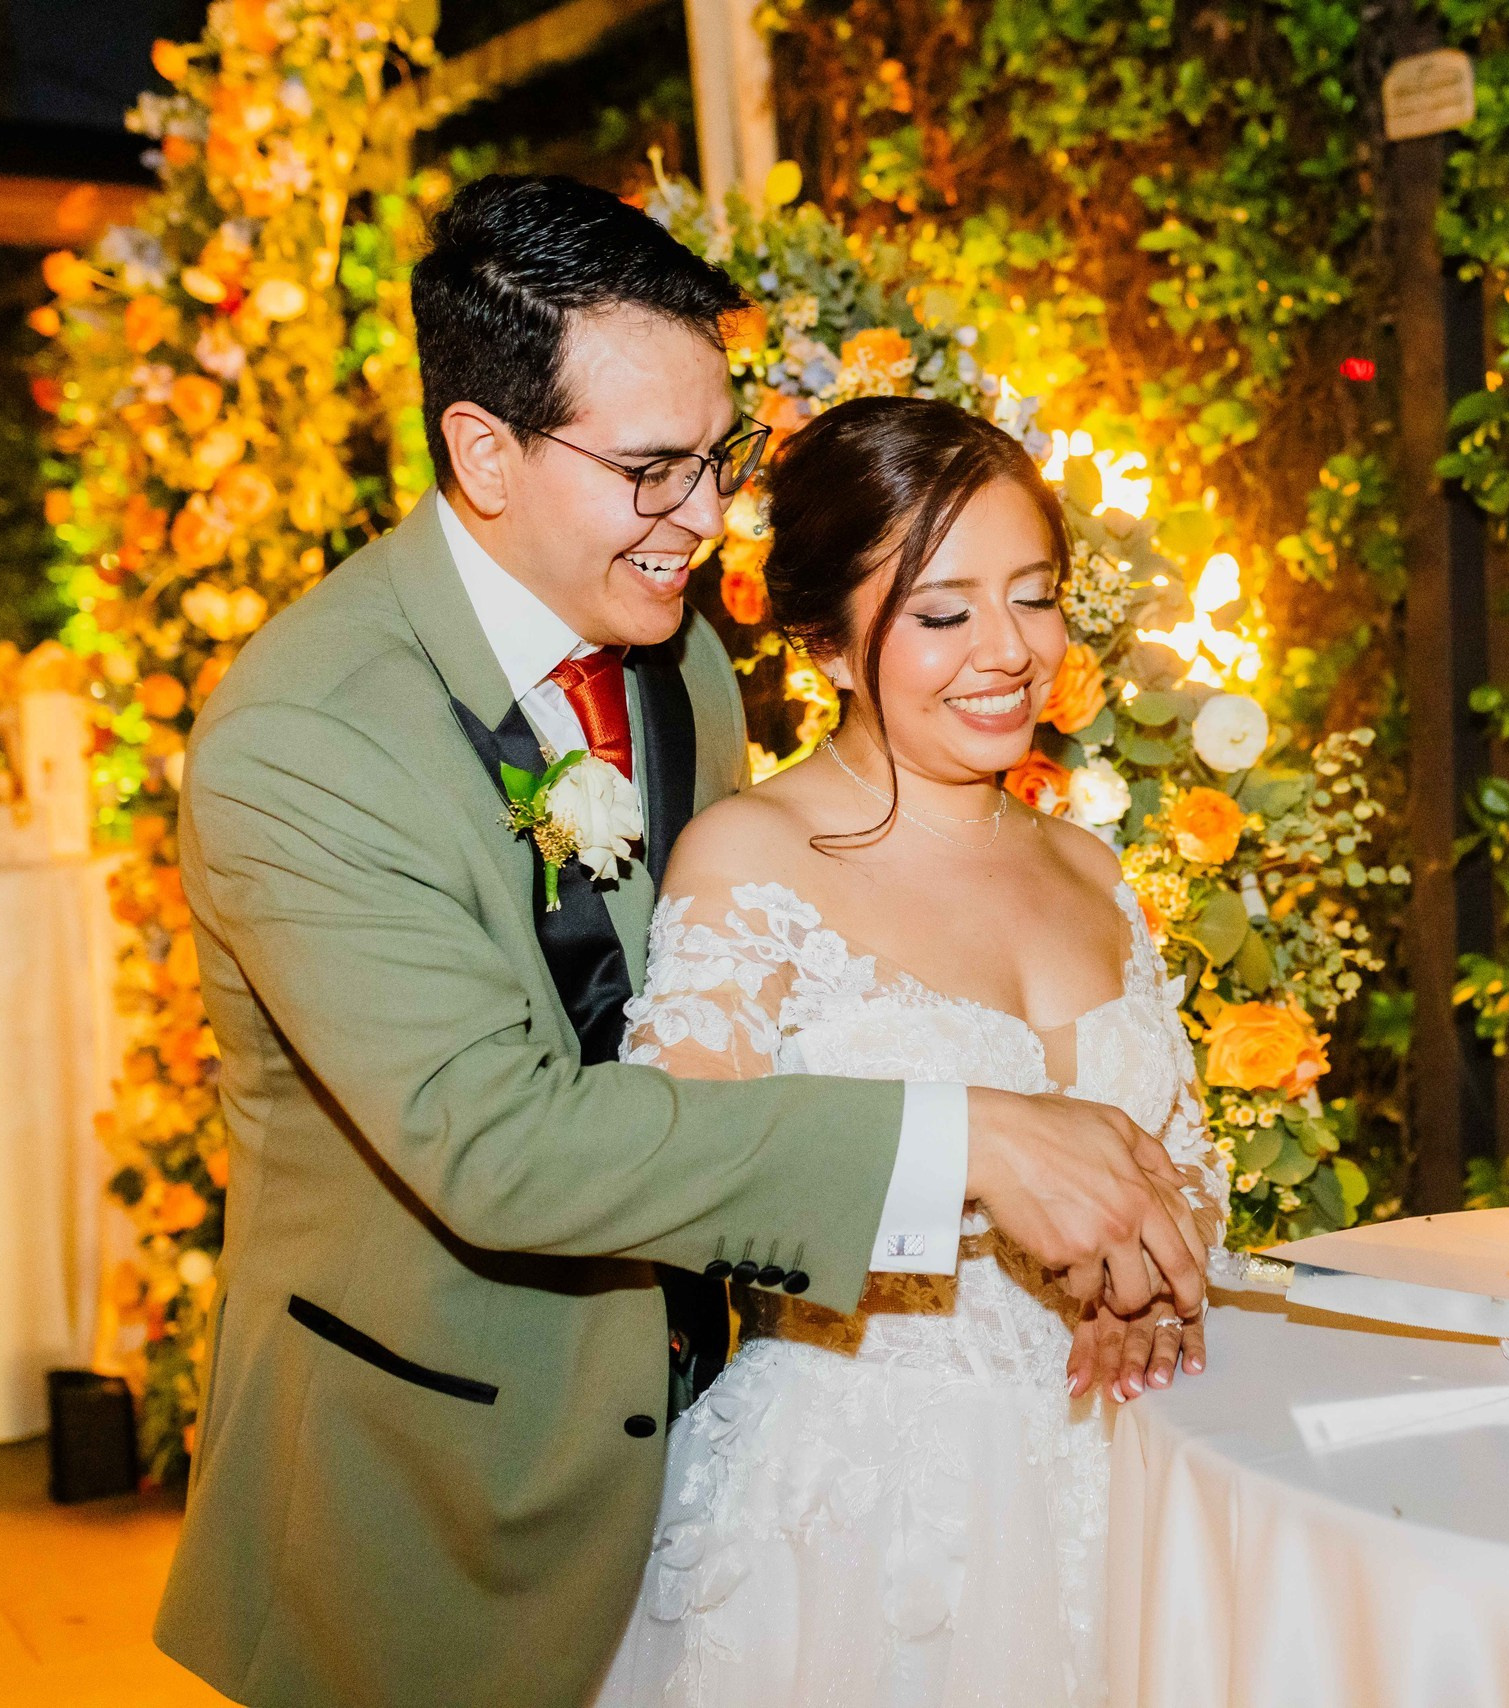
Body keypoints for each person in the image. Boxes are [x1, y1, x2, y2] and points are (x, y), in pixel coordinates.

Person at [153, 175, 1205, 1708]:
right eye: (653, 470)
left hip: (720, 1458)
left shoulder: (679, 657)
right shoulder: (308, 739)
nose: (706, 520)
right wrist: (970, 1135)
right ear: (484, 452)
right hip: (445, 1486)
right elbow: (497, 1151)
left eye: (720, 459)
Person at [594, 394, 1227, 1707]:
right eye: (943, 614)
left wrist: (1158, 1278)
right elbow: (680, 1178)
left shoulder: (1092, 868)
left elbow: (1184, 1167)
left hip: (1119, 1476)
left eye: (1035, 598)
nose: (1009, 650)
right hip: (859, 1515)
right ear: (828, 643)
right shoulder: (753, 859)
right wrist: (977, 1164)